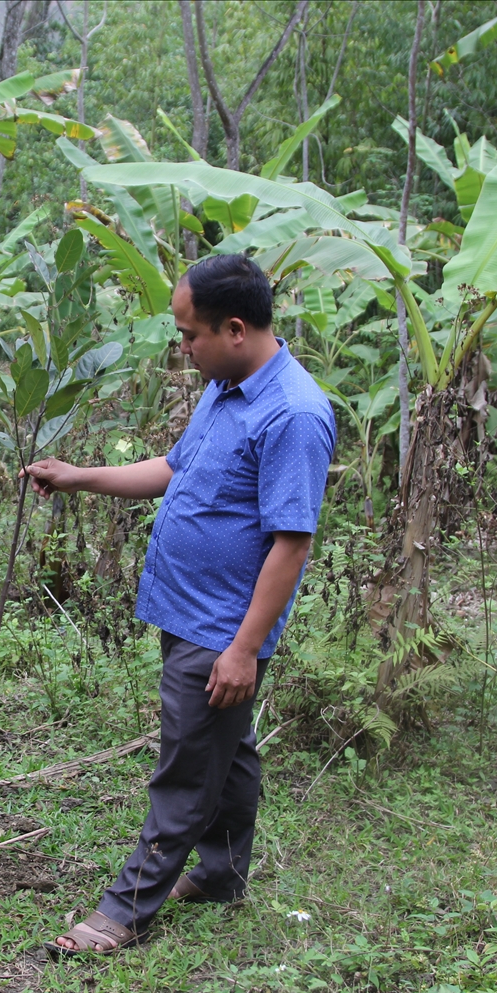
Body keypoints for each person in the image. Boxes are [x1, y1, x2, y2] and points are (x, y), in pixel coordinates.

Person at [25, 254, 336, 955]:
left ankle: (127, 909)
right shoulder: (225, 388)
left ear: (233, 328)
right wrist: (79, 477)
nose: (182, 348)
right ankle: (223, 873)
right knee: (231, 754)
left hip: (222, 626)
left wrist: (243, 649)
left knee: (187, 765)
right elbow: (173, 469)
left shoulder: (292, 414)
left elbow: (290, 545)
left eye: (189, 334)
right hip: (188, 611)